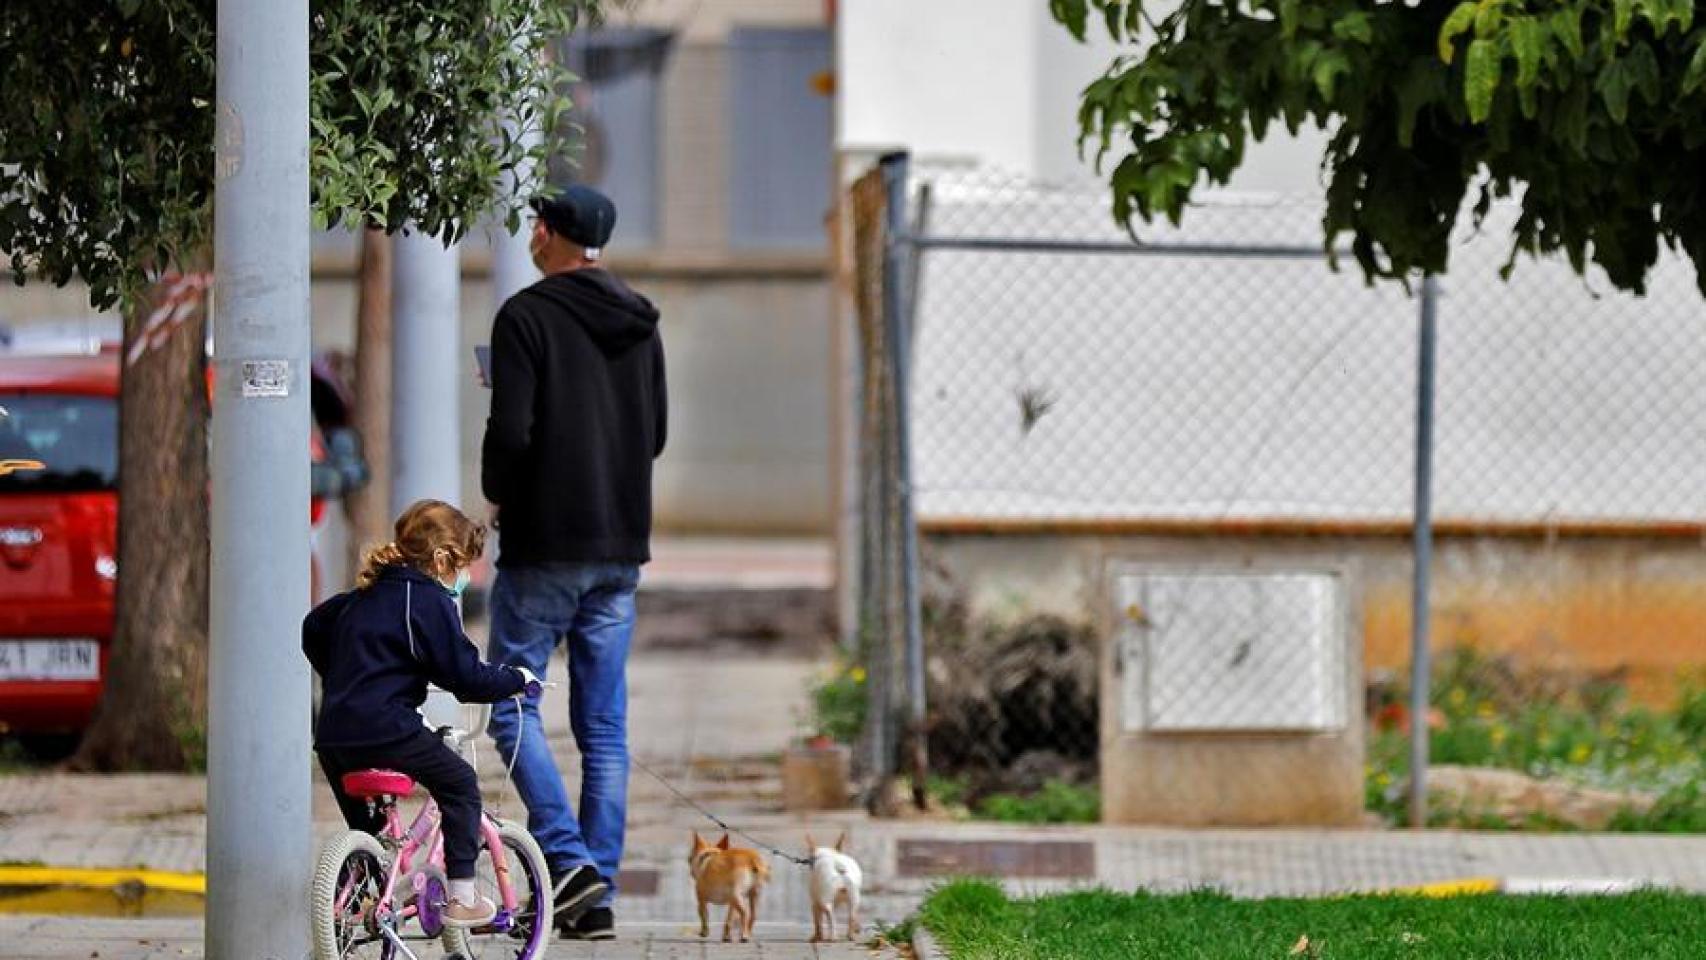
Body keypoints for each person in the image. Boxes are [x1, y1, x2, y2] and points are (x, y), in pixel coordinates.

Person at [481, 183, 667, 941]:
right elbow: (653, 434)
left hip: (543, 547)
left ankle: (567, 859)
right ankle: (597, 896)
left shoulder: (525, 317)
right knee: (603, 728)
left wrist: (498, 492)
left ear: (552, 236)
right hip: (620, 548)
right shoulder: (640, 322)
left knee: (509, 707)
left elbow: (512, 434)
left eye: (536, 223)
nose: (529, 232)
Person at [303, 499, 538, 927]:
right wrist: (516, 680)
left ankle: (363, 900)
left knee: (371, 832)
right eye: (462, 565)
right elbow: (465, 677)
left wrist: (345, 675)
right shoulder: (427, 600)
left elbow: (313, 627)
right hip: (387, 727)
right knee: (461, 784)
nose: (463, 577)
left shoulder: (362, 596)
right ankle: (464, 898)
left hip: (335, 734)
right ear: (443, 558)